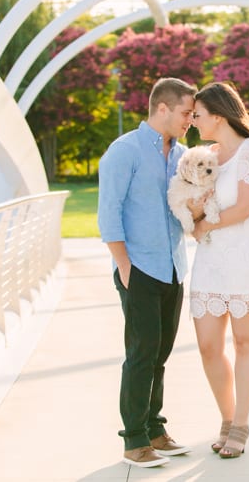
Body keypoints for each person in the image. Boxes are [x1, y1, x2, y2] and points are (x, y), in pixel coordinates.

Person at [97, 77, 195, 468]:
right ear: (163, 108)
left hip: (174, 267)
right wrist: (124, 265)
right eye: (186, 112)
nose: (191, 119)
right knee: (140, 354)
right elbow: (109, 213)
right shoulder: (125, 152)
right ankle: (134, 440)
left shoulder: (183, 154)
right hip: (138, 269)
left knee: (160, 354)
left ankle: (155, 429)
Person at [186, 81, 249, 459]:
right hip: (210, 261)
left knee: (244, 342)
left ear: (218, 116)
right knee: (208, 347)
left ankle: (241, 423)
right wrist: (194, 215)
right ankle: (226, 418)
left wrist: (205, 224)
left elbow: (246, 209)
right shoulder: (204, 156)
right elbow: (194, 205)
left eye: (198, 115)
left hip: (245, 257)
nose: (192, 121)